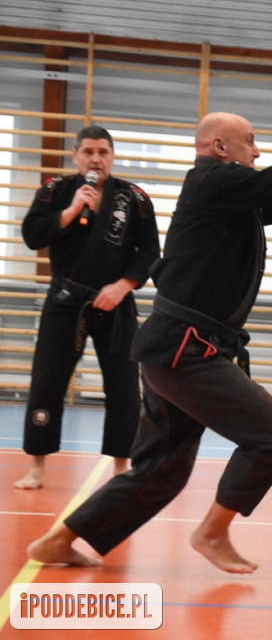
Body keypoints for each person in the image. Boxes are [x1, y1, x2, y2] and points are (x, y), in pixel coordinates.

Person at [27, 96, 272, 574]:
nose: (258, 152)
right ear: (221, 147)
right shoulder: (213, 181)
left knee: (161, 471)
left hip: (176, 348)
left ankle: (59, 541)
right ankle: (212, 531)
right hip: (186, 350)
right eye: (251, 143)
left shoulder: (227, 196)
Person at [15, 126, 159, 490]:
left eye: (104, 152)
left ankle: (121, 467)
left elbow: (150, 254)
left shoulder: (135, 198)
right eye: (89, 151)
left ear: (112, 156)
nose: (97, 158)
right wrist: (72, 209)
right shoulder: (55, 192)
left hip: (115, 301)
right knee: (47, 383)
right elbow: (33, 236)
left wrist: (123, 286)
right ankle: (37, 468)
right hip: (66, 300)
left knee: (124, 387)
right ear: (76, 155)